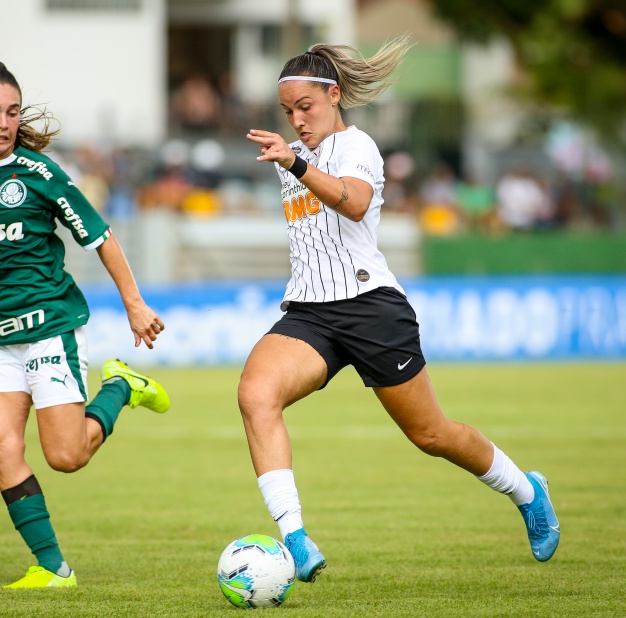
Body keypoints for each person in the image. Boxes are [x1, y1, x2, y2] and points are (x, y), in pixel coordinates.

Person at [240, 41, 560, 583]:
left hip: (372, 309)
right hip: (310, 312)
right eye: (288, 111)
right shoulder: (289, 155)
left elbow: (355, 202)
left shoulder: (356, 146)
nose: (297, 120)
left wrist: (295, 161)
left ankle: (527, 491)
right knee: (254, 393)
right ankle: (294, 538)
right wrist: (293, 160)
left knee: (431, 435)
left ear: (334, 95)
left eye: (305, 107)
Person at [0, 61, 170, 589]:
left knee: (66, 456)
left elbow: (101, 236)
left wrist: (134, 304)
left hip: (48, 327)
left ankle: (118, 387)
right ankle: (53, 567)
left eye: (12, 112)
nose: (3, 122)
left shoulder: (40, 174)